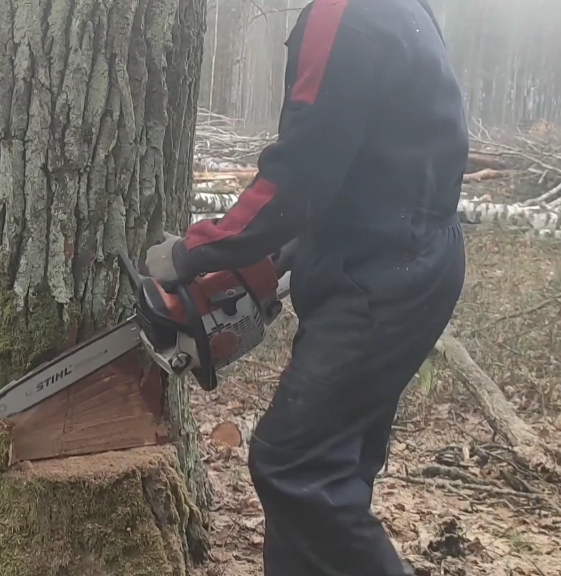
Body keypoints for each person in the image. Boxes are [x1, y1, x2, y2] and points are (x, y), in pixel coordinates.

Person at [145, 0, 468, 574]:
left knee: (297, 466)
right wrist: (290, 250)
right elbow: (376, 155)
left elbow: (302, 173)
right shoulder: (398, 9)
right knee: (335, 468)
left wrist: (196, 250)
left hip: (381, 275)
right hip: (408, 256)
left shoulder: (342, 15)